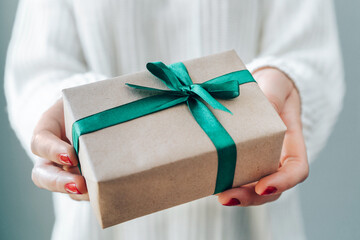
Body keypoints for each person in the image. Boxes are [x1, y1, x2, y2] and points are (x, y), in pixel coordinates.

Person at [4, 0, 344, 239]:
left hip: (253, 224)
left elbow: (310, 52)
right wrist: (71, 121)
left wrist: (281, 88)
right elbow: (37, 67)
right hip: (95, 227)